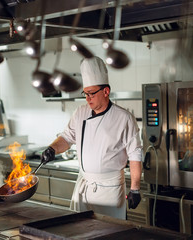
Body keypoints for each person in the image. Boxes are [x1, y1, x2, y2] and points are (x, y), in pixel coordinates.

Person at [40, 56, 142, 219]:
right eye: (85, 94)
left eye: (91, 94)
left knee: (108, 234)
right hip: (84, 186)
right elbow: (67, 138)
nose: (87, 98)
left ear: (106, 92)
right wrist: (52, 148)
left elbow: (135, 153)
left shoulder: (124, 118)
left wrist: (135, 188)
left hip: (110, 190)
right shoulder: (80, 112)